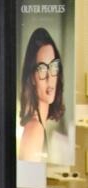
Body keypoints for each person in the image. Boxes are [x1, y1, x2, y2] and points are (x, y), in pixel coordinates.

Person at [18, 27, 65, 162]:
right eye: (42, 69)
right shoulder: (35, 130)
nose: (50, 77)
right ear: (32, 78)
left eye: (53, 66)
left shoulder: (38, 126)